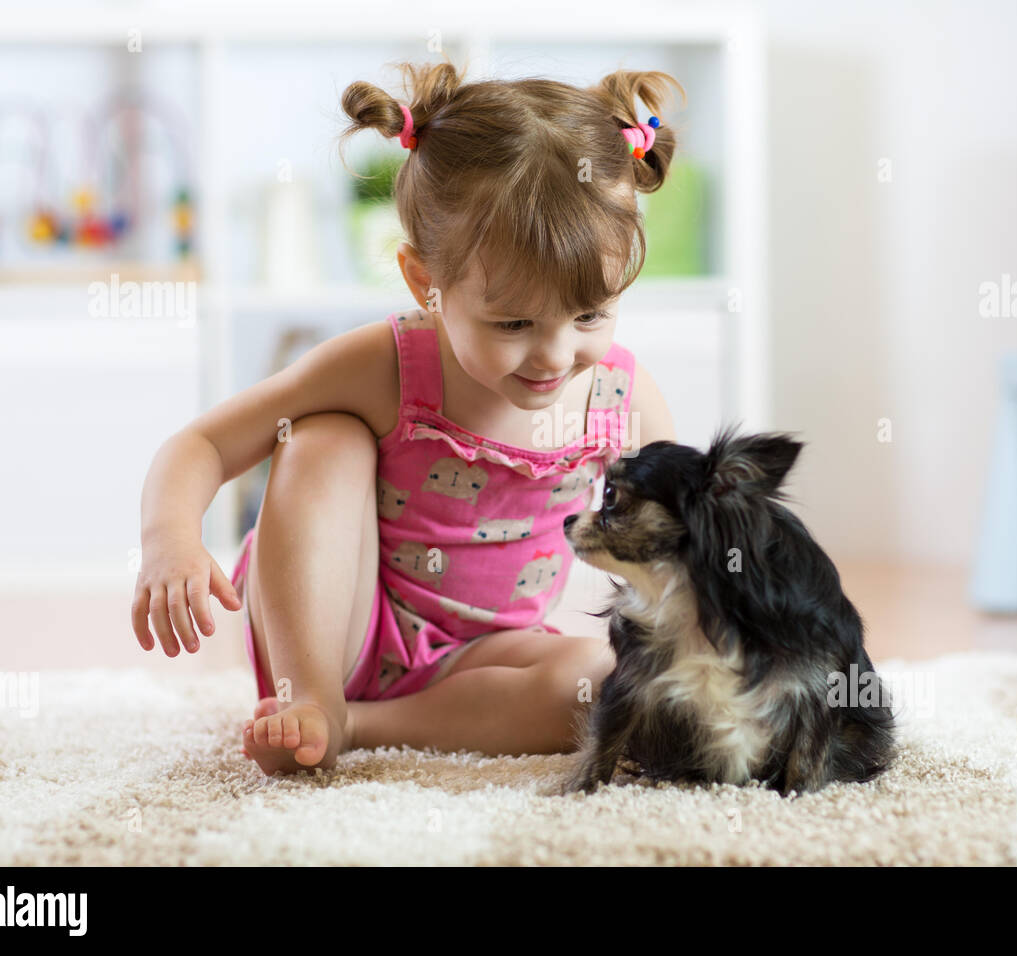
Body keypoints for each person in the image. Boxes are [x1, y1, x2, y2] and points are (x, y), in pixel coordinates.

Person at [131, 59, 682, 774]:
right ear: (427, 282)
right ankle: (313, 699)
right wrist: (168, 541)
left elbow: (682, 541)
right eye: (513, 322)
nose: (554, 354)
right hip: (337, 627)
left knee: (610, 683)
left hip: (490, 658)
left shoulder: (619, 399)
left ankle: (354, 727)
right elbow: (204, 441)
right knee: (324, 434)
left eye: (590, 315)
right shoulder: (389, 364)